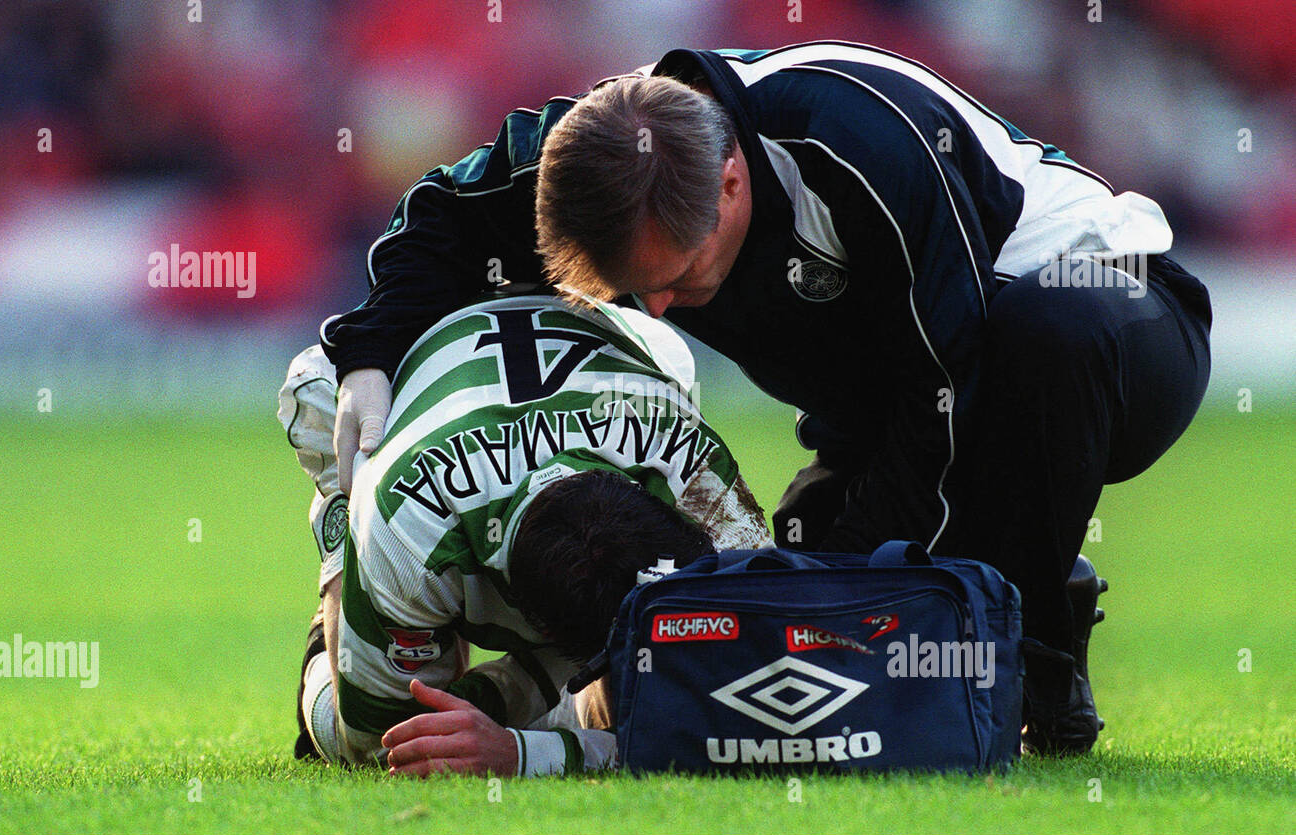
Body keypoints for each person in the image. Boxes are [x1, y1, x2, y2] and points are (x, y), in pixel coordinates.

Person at [319, 41, 1212, 755]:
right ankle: (1001, 586)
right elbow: (446, 213)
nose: (658, 309)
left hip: (1113, 321)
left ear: (734, 185)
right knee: (778, 624)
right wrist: (369, 354)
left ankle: (1035, 653)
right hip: (896, 407)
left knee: (1037, 342)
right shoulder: (607, 155)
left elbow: (949, 391)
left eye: (676, 279)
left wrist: (879, 606)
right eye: (634, 291)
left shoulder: (863, 140)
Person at [279, 292, 770, 776]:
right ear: (537, 626)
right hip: (379, 399)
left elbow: (748, 695)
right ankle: (343, 534)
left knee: (646, 691)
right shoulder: (410, 526)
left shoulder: (691, 472)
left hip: (623, 349)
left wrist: (522, 753)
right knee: (361, 740)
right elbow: (389, 743)